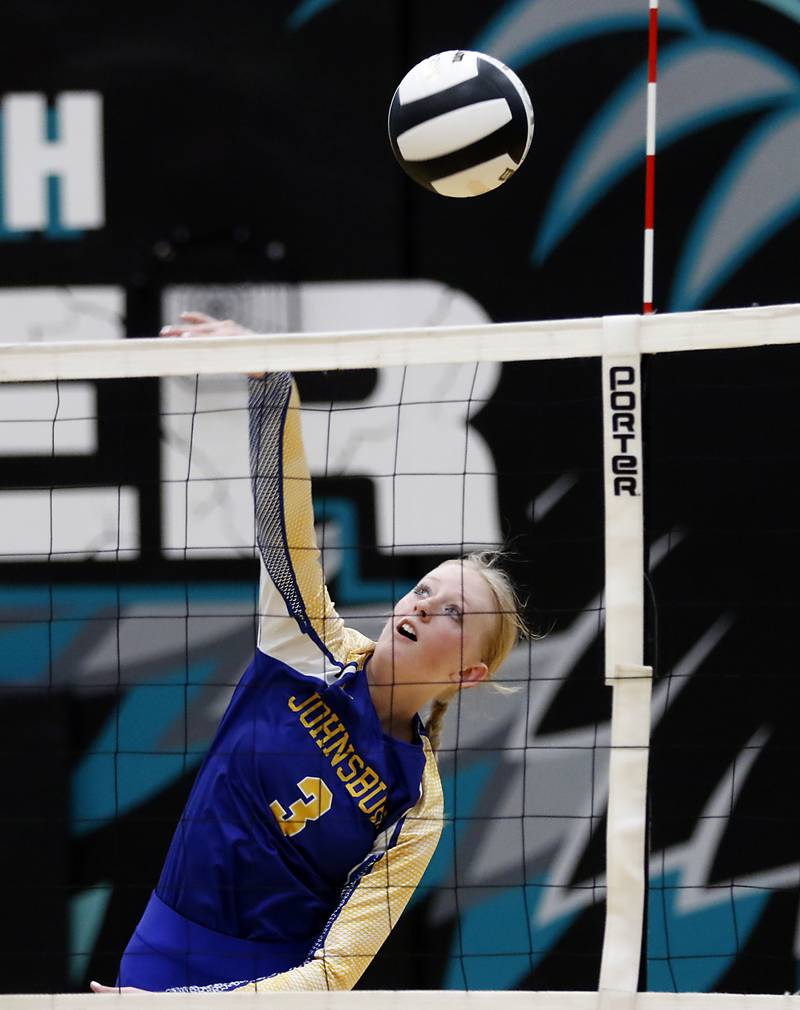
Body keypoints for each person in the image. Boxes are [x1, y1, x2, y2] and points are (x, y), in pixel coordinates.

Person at [91, 312, 525, 993]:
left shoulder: (416, 803)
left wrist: (196, 1008)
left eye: (453, 614)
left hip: (263, 990)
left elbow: (334, 972)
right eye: (423, 589)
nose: (420, 606)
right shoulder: (307, 644)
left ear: (469, 672)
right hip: (162, 945)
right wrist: (272, 379)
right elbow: (284, 521)